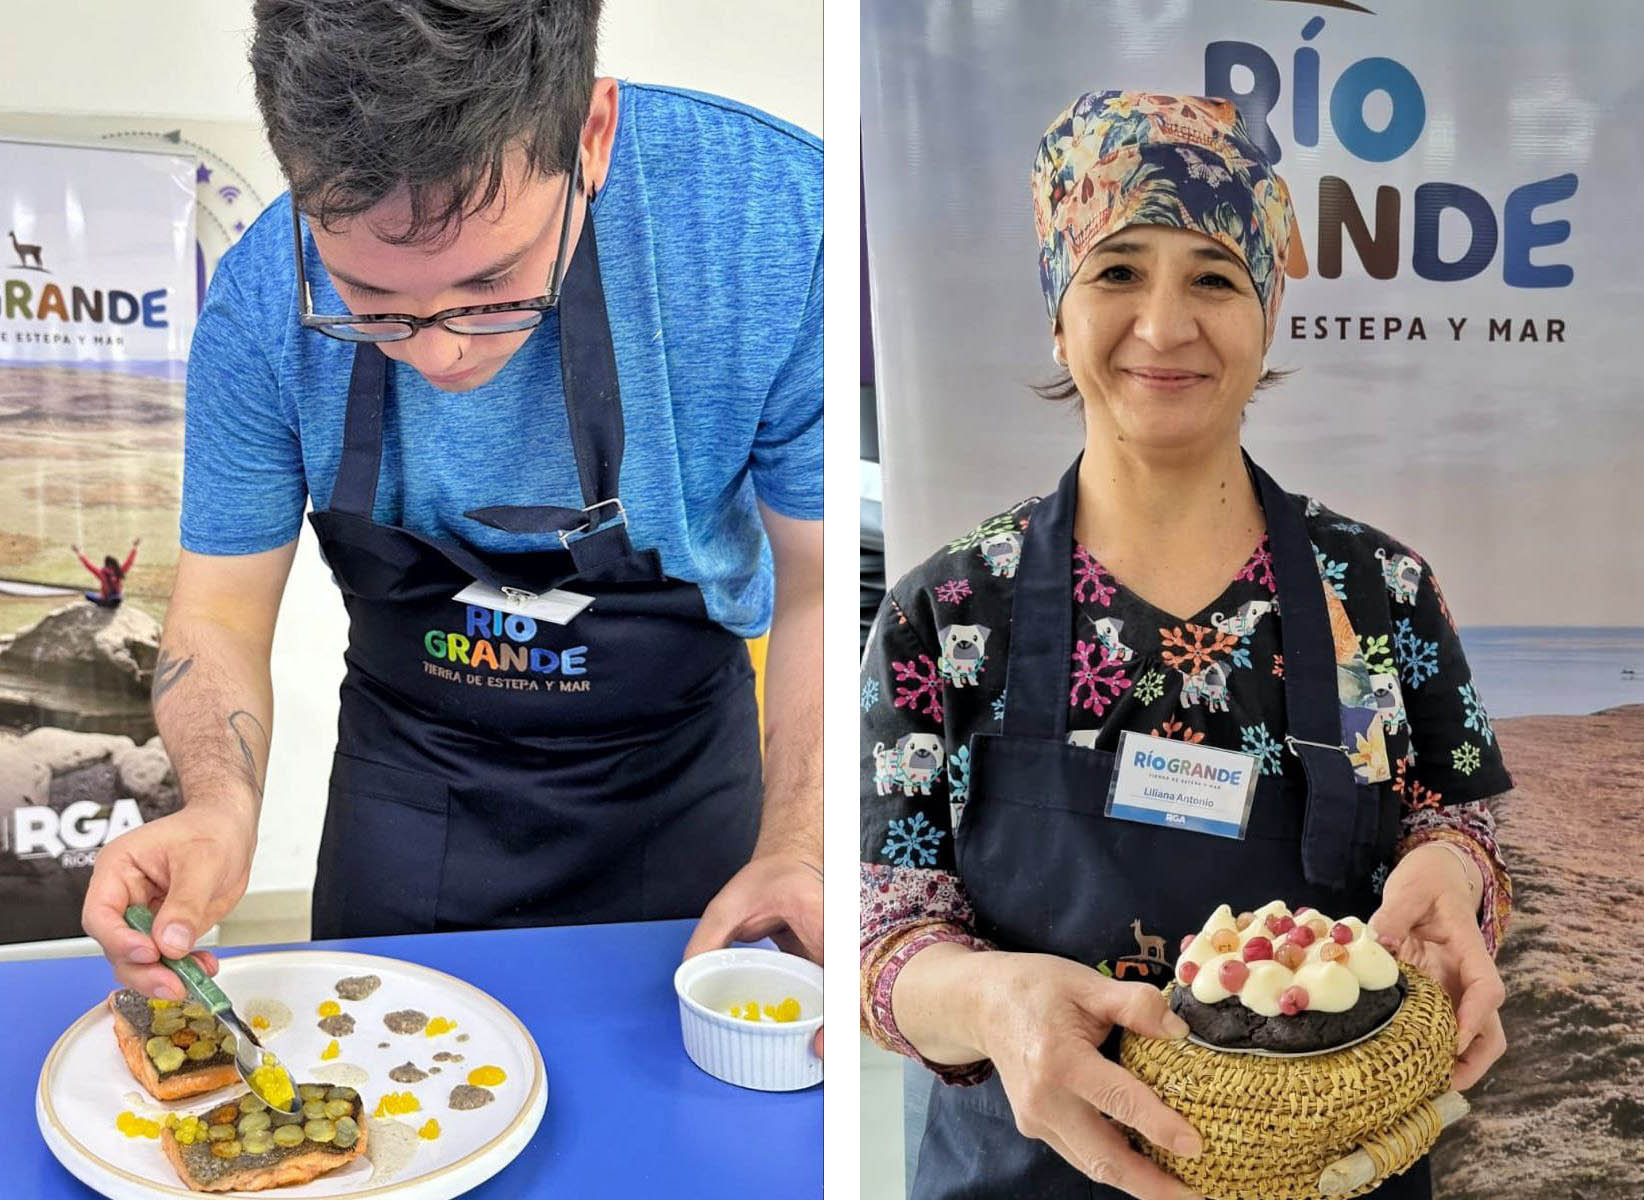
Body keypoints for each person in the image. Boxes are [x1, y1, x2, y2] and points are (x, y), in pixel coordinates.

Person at [81, 0, 824, 1028]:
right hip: (411, 780)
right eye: (371, 304)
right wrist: (218, 805)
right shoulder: (260, 299)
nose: (438, 354)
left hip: (677, 777)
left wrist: (803, 846)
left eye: (491, 288)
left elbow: (824, 591)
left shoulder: (772, 230)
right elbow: (218, 615)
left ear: (592, 135)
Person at [860, 91, 1513, 1199]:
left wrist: (1455, 872)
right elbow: (889, 937)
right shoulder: (948, 613)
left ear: (1268, 311)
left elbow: (1456, 818)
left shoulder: (1385, 594)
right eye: (1116, 271)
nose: (1164, 326)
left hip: (1329, 1170)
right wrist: (984, 1004)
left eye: (1213, 276)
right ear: (1055, 311)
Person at [73, 537, 140, 607]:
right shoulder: (119, 571)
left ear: (106, 564)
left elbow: (88, 565)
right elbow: (129, 561)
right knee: (115, 596)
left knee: (88, 595)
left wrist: (78, 552)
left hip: (106, 600)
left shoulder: (101, 573)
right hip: (117, 599)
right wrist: (135, 547)